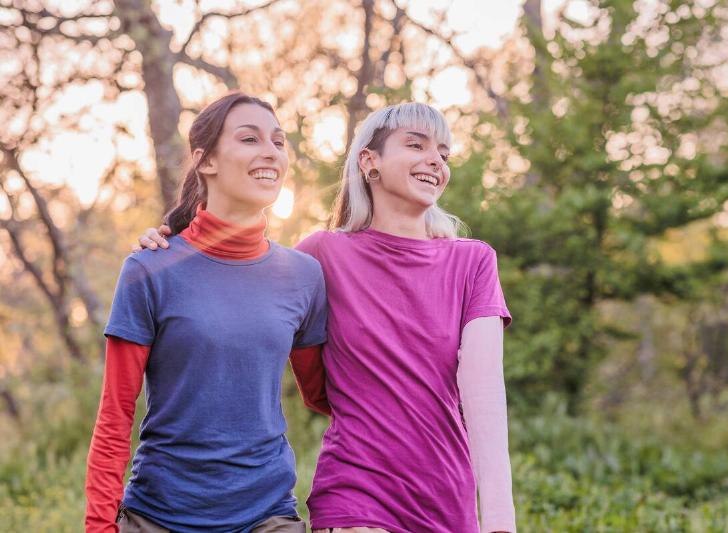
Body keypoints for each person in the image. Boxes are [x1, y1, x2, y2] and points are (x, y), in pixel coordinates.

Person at [136, 102, 516, 533]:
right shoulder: (322, 254)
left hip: (447, 498)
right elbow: (233, 276)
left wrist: (499, 522)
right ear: (369, 161)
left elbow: (484, 395)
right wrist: (172, 247)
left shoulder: (473, 262)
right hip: (355, 496)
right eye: (416, 145)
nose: (435, 160)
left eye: (444, 154)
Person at [86, 92, 327, 533]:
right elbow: (115, 415)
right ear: (206, 161)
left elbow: (325, 396)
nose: (271, 152)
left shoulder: (304, 275)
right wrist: (99, 526)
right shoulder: (149, 268)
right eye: (250, 139)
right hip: (159, 516)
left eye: (278, 142)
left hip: (267, 516)